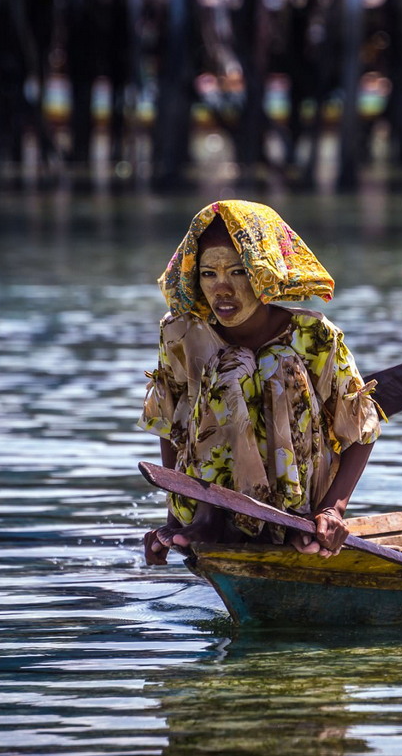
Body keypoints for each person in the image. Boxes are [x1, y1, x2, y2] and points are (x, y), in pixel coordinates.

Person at [138, 200, 383, 565]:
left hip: (296, 500)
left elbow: (362, 430)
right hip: (207, 498)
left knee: (275, 364)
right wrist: (176, 516)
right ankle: (209, 517)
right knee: (228, 367)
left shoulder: (313, 334)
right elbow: (169, 421)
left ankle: (291, 518)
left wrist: (332, 511)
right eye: (209, 274)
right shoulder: (180, 332)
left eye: (238, 272)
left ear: (264, 273)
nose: (222, 289)